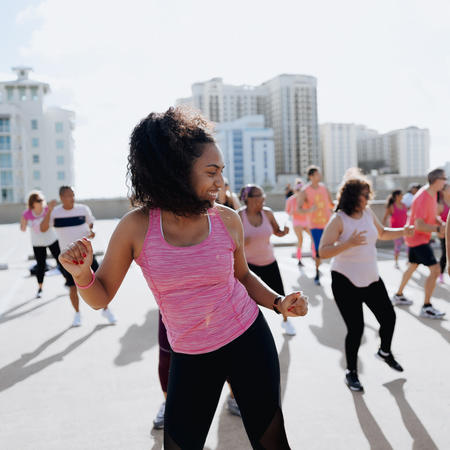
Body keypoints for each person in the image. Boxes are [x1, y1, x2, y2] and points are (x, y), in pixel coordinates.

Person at [58, 107, 308, 449]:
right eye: (211, 172)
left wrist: (279, 302)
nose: (220, 182)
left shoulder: (227, 219)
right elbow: (100, 297)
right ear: (176, 172)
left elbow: (243, 276)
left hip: (248, 340)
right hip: (191, 355)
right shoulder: (138, 226)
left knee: (272, 443)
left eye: (221, 171)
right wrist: (82, 272)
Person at [319, 169, 414, 391]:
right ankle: (351, 372)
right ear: (353, 196)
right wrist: (348, 244)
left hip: (371, 278)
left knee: (388, 317)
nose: (368, 197)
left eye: (368, 193)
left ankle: (384, 351)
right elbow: (322, 251)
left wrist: (404, 231)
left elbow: (382, 233)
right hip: (345, 281)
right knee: (356, 329)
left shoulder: (368, 213)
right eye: (364, 194)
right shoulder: (339, 219)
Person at [40, 186, 117, 327]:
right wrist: (49, 210)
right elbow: (43, 228)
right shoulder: (55, 212)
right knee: (72, 287)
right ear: (62, 197)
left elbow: (91, 224)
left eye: (73, 194)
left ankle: (106, 310)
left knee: (99, 283)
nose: (72, 198)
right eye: (69, 195)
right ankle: (77, 314)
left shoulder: (83, 209)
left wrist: (92, 231)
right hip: (69, 259)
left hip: (87, 256)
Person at [239, 184, 296, 336]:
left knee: (281, 295)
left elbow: (277, 232)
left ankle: (286, 321)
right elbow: (229, 242)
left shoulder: (268, 213)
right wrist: (243, 241)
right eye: (258, 196)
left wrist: (284, 232)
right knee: (247, 301)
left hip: (269, 261)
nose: (262, 198)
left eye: (263, 195)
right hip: (248, 267)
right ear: (248, 199)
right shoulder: (239, 216)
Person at [392, 168, 447, 318]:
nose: (446, 181)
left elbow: (432, 215)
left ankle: (398, 294)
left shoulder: (432, 193)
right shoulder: (423, 197)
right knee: (435, 270)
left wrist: (440, 222)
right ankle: (427, 307)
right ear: (436, 180)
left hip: (418, 239)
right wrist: (438, 228)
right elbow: (419, 225)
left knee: (412, 266)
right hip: (417, 238)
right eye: (444, 178)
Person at [296, 166, 334, 285]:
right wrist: (310, 210)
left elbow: (331, 204)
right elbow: (299, 209)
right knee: (318, 250)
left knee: (334, 249)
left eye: (319, 174)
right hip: (315, 225)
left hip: (328, 224)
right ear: (311, 176)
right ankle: (317, 274)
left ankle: (336, 274)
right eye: (317, 174)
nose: (319, 176)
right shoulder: (305, 191)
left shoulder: (324, 188)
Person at [20, 191, 61, 298]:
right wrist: (23, 220)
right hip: (37, 243)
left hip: (52, 240)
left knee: (61, 261)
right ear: (32, 202)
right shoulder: (27, 214)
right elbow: (23, 229)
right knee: (41, 266)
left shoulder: (48, 210)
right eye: (39, 200)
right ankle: (40, 288)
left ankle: (69, 282)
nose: (42, 202)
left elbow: (54, 223)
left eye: (42, 199)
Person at [285, 179, 311, 267]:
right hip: (297, 222)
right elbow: (287, 211)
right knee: (300, 240)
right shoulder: (291, 200)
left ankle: (315, 256)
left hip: (306, 222)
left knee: (314, 238)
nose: (299, 192)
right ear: (295, 190)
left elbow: (310, 209)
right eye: (298, 190)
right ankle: (299, 259)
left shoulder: (306, 199)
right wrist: (293, 211)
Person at [382, 190, 408, 269]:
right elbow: (385, 218)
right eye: (401, 195)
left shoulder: (404, 205)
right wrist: (383, 229)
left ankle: (409, 261)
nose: (402, 197)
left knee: (408, 246)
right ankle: (396, 262)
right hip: (395, 231)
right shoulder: (392, 206)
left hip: (405, 230)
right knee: (398, 246)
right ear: (397, 196)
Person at [437, 184, 450, 282]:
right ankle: (441, 274)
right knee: (444, 254)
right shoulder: (441, 204)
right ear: (443, 191)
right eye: (448, 188)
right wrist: (442, 223)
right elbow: (435, 217)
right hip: (443, 234)